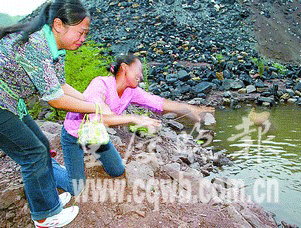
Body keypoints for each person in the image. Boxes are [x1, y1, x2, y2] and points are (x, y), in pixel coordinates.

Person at [0, 0, 113, 227]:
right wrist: (96, 108)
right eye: (80, 32)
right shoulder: (37, 45)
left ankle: (47, 195)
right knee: (32, 154)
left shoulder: (55, 49)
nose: (83, 38)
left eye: (85, 33)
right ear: (59, 25)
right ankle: (44, 215)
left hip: (10, 102)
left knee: (42, 146)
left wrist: (91, 100)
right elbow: (56, 100)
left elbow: (60, 85)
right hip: (2, 103)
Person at [61, 53, 215, 196]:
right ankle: (52, 167)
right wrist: (135, 118)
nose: (141, 76)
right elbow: (100, 118)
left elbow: (158, 102)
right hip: (75, 135)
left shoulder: (131, 91)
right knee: (76, 188)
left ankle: (76, 164)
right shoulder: (100, 85)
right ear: (124, 68)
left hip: (96, 136)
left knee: (117, 170)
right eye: (139, 71)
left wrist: (190, 109)